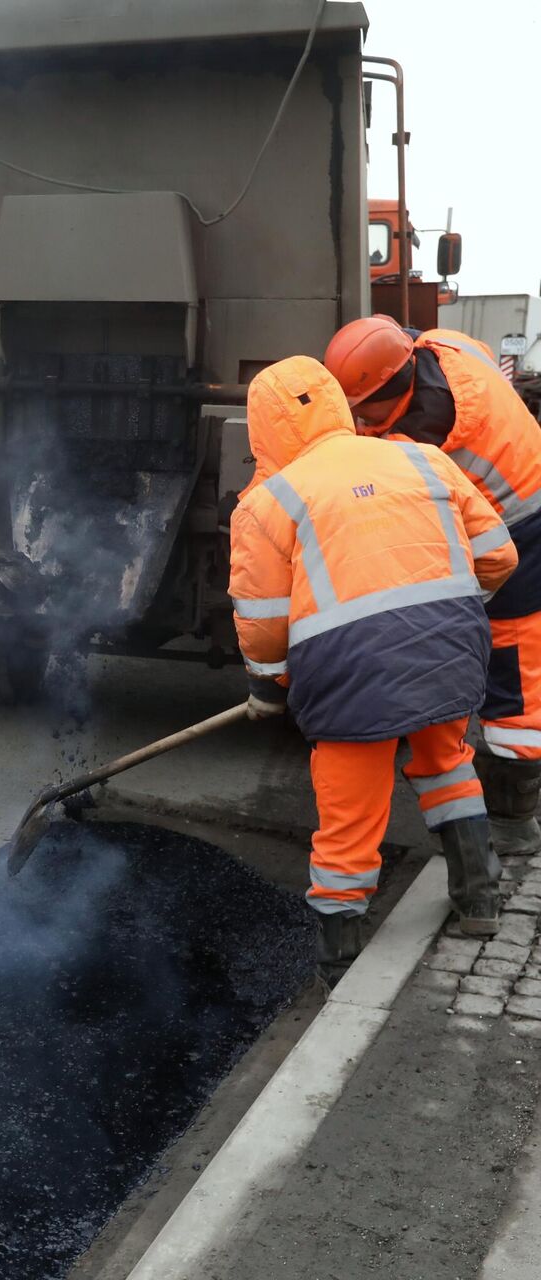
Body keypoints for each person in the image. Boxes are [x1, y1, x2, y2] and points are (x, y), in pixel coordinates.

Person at [229, 356, 518, 961]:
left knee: (349, 814)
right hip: (450, 653)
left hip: (348, 674)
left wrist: (269, 688)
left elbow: (263, 627)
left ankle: (338, 960)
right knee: (448, 765)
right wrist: (446, 613)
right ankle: (480, 902)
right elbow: (498, 556)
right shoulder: (420, 456)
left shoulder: (267, 503)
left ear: (264, 430)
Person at [325, 317, 541, 856]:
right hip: (522, 491)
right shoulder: (445, 345)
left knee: (514, 673)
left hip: (522, 529)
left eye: (363, 407)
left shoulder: (426, 433)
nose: (357, 418)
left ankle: (515, 819)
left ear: (394, 389)